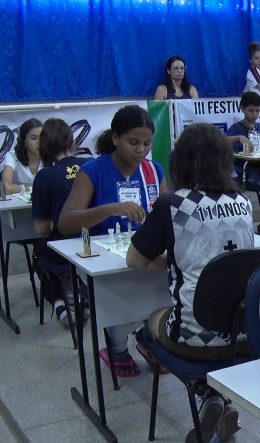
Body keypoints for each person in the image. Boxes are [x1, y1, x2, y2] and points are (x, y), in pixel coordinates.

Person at [127, 123, 253, 443]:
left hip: (194, 341)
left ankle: (203, 391)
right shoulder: (243, 201)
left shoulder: (173, 204)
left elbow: (135, 260)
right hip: (245, 335)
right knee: (204, 315)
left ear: (179, 162)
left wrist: (172, 261)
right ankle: (215, 397)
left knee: (150, 319)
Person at [59, 105, 168, 378]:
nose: (141, 149)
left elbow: (167, 213)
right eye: (133, 142)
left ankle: (148, 336)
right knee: (122, 298)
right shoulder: (92, 170)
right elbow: (65, 222)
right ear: (116, 137)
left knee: (167, 287)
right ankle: (117, 347)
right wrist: (110, 208)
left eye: (146, 143)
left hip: (141, 253)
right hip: (100, 257)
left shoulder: (154, 171)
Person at [31, 118, 87, 321]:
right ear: (73, 142)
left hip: (64, 250)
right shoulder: (90, 164)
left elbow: (41, 228)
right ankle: (81, 295)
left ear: (44, 147)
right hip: (94, 244)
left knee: (39, 250)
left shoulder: (44, 177)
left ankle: (59, 302)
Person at [226, 91, 260, 229]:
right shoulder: (236, 128)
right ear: (242, 109)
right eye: (251, 110)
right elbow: (221, 140)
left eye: (257, 110)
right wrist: (238, 137)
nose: (255, 114)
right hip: (246, 171)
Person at [2, 118, 43, 194]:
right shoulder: (12, 156)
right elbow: (6, 187)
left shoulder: (51, 157)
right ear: (24, 141)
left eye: (42, 137)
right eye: (33, 138)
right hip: (17, 205)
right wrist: (34, 186)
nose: (39, 142)